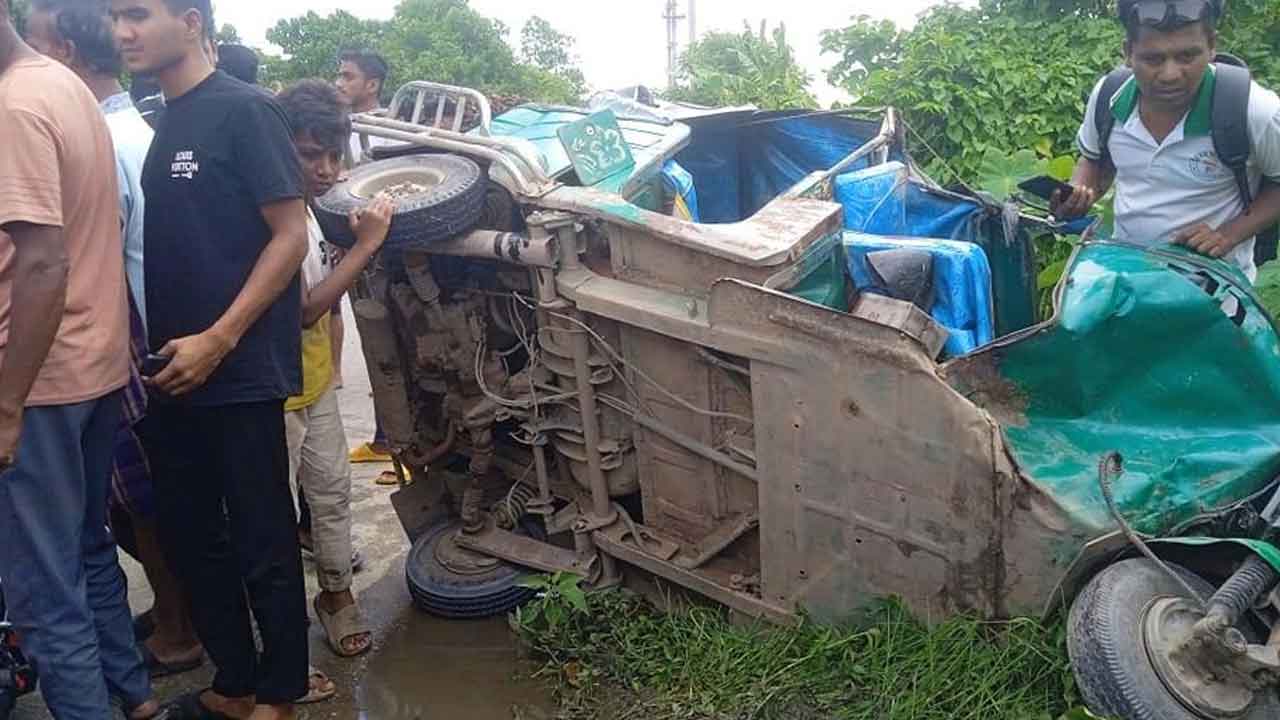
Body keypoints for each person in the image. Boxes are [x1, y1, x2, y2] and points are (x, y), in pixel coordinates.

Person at [110, 0, 311, 718]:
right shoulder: (163, 121)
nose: (123, 31)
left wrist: (222, 336)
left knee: (262, 538)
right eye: (114, 16)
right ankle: (236, 681)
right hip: (172, 370)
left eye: (137, 14)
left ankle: (280, 693)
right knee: (194, 537)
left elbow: (290, 234)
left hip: (239, 365)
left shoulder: (245, 110)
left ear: (191, 20)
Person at [24, 0, 205, 680]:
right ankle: (175, 617)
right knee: (123, 512)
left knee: (137, 508)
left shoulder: (109, 141)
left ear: (66, 52)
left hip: (129, 351)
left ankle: (178, 624)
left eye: (34, 43)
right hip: (125, 348)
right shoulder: (124, 134)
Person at [0, 1, 164, 717]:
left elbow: (39, 264)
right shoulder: (63, 82)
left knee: (42, 590)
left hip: (37, 383)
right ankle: (134, 699)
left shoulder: (12, 108)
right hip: (94, 366)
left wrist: (6, 405)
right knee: (90, 548)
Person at [277, 79, 391, 662]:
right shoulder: (275, 217)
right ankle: (280, 631)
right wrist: (367, 248)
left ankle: (337, 596)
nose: (325, 169)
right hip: (277, 392)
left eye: (332, 155)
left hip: (315, 381)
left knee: (332, 494)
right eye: (309, 155)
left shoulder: (309, 208)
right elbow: (305, 309)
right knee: (271, 513)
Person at [1054, 0, 1280, 280]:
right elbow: (1093, 159)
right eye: (1153, 59)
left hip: (1216, 296)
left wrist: (1228, 234)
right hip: (1126, 281)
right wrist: (1079, 193)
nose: (1170, 74)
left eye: (1187, 56)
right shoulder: (1109, 97)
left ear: (1212, 46)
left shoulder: (1252, 109)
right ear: (1128, 53)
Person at [335, 48, 397, 474]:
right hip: (357, 255)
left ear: (371, 85)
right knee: (376, 352)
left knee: (393, 351)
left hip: (388, 261)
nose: (340, 83)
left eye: (348, 76)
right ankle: (382, 439)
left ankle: (400, 444)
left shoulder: (389, 132)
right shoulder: (343, 132)